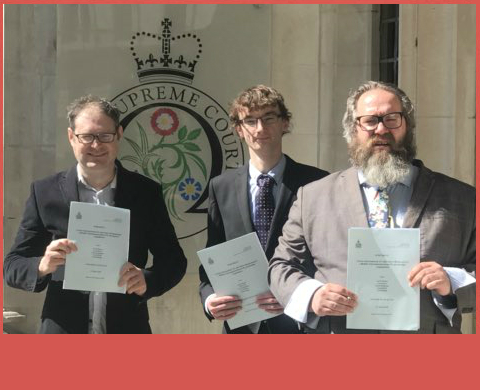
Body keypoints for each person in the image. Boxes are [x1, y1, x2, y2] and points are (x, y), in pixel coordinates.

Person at [268, 81, 476, 334]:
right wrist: (312, 295)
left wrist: (451, 282)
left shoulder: (462, 199)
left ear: (407, 125)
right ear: (352, 130)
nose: (381, 129)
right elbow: (281, 266)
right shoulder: (313, 197)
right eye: (369, 120)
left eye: (391, 118)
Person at [4, 95, 187, 333]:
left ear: (119, 135)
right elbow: (12, 266)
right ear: (71, 137)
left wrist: (147, 280)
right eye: (86, 136)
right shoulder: (45, 192)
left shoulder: (145, 193)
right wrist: (42, 264)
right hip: (63, 332)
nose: (96, 145)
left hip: (127, 330)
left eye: (104, 136)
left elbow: (174, 260)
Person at [199, 85, 329, 333]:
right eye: (250, 120)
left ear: (285, 123)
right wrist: (209, 299)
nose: (260, 128)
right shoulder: (221, 187)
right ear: (239, 129)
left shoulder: (318, 183)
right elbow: (211, 258)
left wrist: (297, 294)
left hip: (300, 325)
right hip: (242, 326)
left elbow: (329, 257)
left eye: (269, 118)